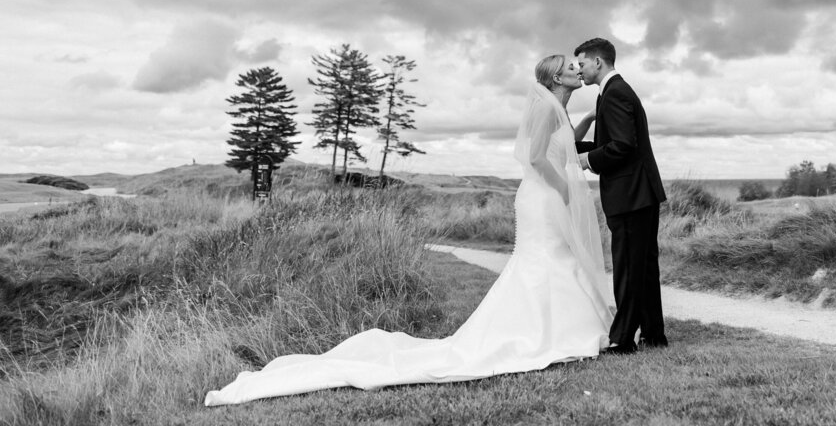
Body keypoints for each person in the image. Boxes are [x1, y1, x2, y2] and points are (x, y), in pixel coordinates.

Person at [204, 55, 614, 407]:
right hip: (542, 196)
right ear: (555, 78)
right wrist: (561, 186)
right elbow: (536, 156)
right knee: (542, 259)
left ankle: (559, 326)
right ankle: (543, 333)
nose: (577, 69)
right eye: (569, 67)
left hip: (542, 193)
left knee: (553, 257)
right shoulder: (544, 108)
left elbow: (562, 146)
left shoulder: (555, 110)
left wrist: (587, 121)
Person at [573, 37, 668, 354]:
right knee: (642, 266)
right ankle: (653, 334)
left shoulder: (614, 94)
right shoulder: (615, 91)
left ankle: (623, 339)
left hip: (630, 194)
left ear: (598, 62)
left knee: (628, 267)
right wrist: (577, 150)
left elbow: (622, 147)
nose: (580, 70)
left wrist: (587, 160)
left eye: (583, 64)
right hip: (640, 192)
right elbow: (614, 143)